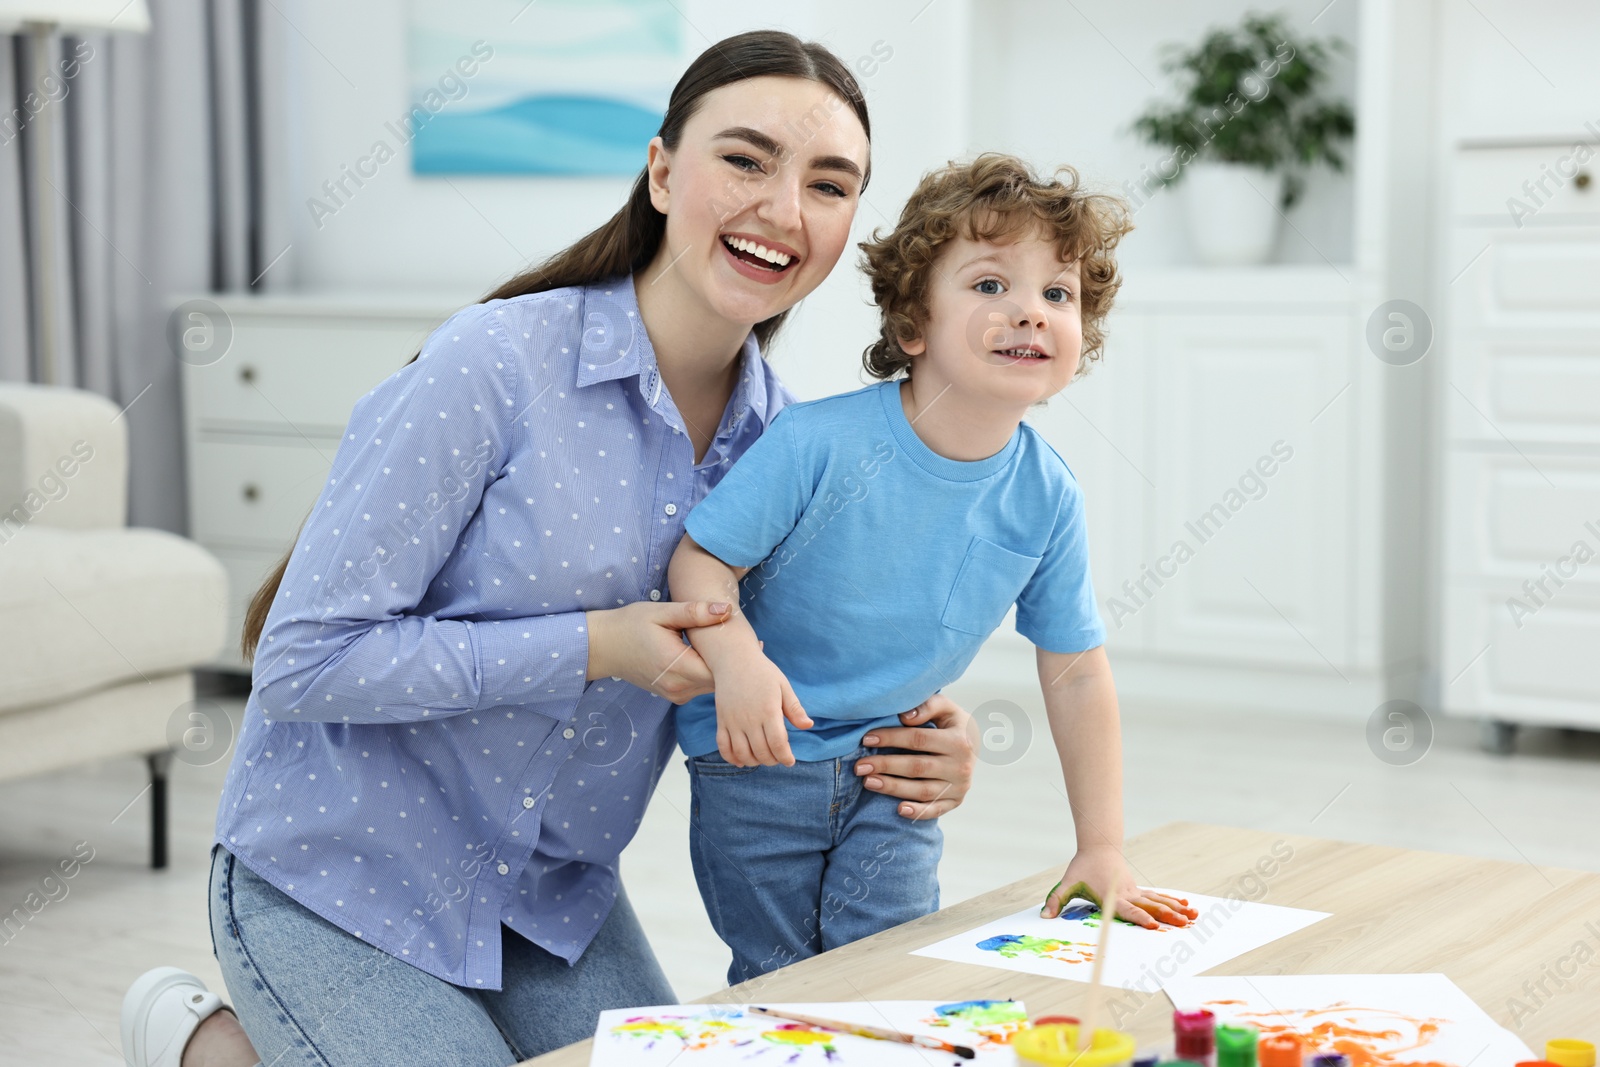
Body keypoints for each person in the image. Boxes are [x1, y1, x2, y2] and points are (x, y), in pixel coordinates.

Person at [119, 30, 980, 1067]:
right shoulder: (497, 364)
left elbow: (796, 682)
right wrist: (594, 644)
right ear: (662, 171)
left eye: (828, 184)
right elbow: (300, 660)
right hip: (333, 874)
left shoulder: (791, 449)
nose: (784, 211)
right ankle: (210, 1043)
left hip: (550, 902)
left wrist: (919, 738)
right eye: (744, 159)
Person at [666, 153, 1200, 985]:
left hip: (900, 764)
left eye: (1057, 295)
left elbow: (1075, 672)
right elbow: (700, 560)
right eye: (990, 285)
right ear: (912, 325)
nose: (1030, 311)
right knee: (777, 978)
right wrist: (733, 660)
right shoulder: (818, 444)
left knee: (885, 969)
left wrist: (1100, 845)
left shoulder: (1048, 494)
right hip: (760, 762)